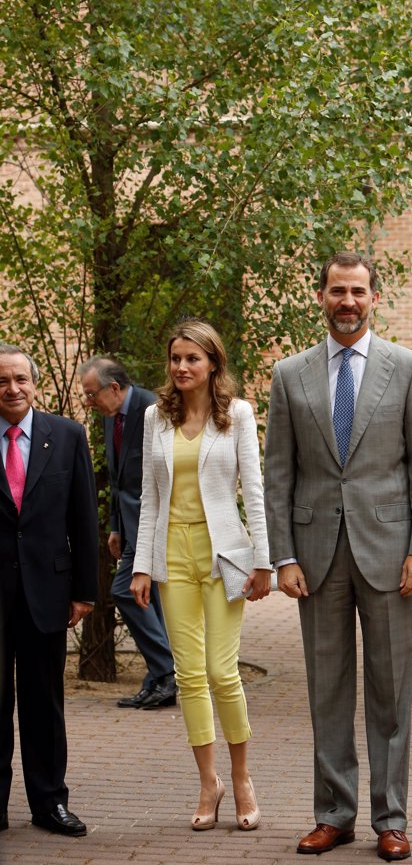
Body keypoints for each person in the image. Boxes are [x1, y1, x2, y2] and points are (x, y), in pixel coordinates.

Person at [264, 251, 412, 862]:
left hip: (391, 554)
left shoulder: (409, 368)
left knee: (391, 692)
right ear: (321, 296)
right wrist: (282, 555)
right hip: (314, 557)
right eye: (337, 290)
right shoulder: (289, 374)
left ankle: (390, 817)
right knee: (327, 690)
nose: (347, 301)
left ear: (374, 298)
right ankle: (333, 814)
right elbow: (278, 475)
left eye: (358, 291)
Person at [130, 318, 272, 832]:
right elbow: (150, 496)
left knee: (220, 670)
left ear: (213, 363)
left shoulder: (236, 414)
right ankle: (207, 781)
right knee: (188, 675)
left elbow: (253, 493)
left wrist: (264, 561)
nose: (182, 367)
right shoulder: (154, 418)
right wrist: (142, 566)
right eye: (176, 359)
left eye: (193, 358)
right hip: (173, 557)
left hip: (223, 555)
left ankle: (241, 778)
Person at [0, 344, 98, 836]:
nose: (12, 389)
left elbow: (84, 517)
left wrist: (84, 590)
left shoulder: (66, 435)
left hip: (48, 592)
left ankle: (49, 803)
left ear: (34, 383)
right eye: (2, 381)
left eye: (20, 379)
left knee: (44, 702)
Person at [78, 356, 176, 709]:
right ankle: (161, 680)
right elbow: (120, 480)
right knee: (149, 602)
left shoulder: (153, 409)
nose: (90, 403)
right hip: (131, 525)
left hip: (156, 524)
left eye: (92, 395)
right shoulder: (111, 417)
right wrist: (116, 527)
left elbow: (166, 473)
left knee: (125, 591)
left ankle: (167, 672)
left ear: (114, 388)